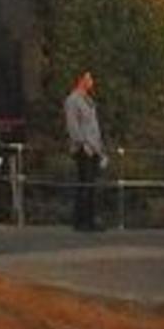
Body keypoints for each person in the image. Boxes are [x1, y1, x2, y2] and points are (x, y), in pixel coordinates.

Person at [64, 70, 107, 232]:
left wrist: (100, 149)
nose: (91, 82)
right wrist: (82, 144)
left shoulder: (88, 100)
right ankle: (82, 220)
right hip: (83, 148)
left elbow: (93, 126)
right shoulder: (73, 100)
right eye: (88, 78)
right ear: (81, 79)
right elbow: (73, 125)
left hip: (94, 147)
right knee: (85, 184)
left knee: (91, 184)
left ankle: (90, 218)